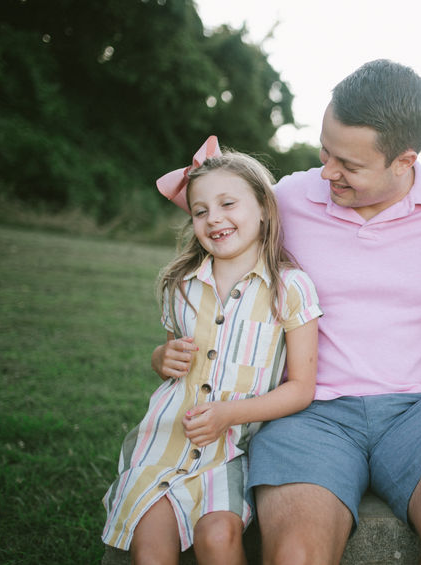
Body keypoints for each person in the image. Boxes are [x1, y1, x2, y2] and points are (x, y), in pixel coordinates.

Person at [212, 59, 421, 564]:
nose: (327, 171)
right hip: (307, 413)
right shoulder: (284, 201)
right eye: (325, 151)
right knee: (295, 555)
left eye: (348, 165)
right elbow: (211, 270)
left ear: (404, 160)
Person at [104, 138, 321, 565]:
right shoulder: (181, 284)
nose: (213, 219)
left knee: (219, 536)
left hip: (232, 448)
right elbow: (169, 356)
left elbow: (301, 388)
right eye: (201, 211)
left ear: (263, 207)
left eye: (227, 204)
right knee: (150, 544)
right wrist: (159, 359)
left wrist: (227, 415)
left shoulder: (290, 288)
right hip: (166, 439)